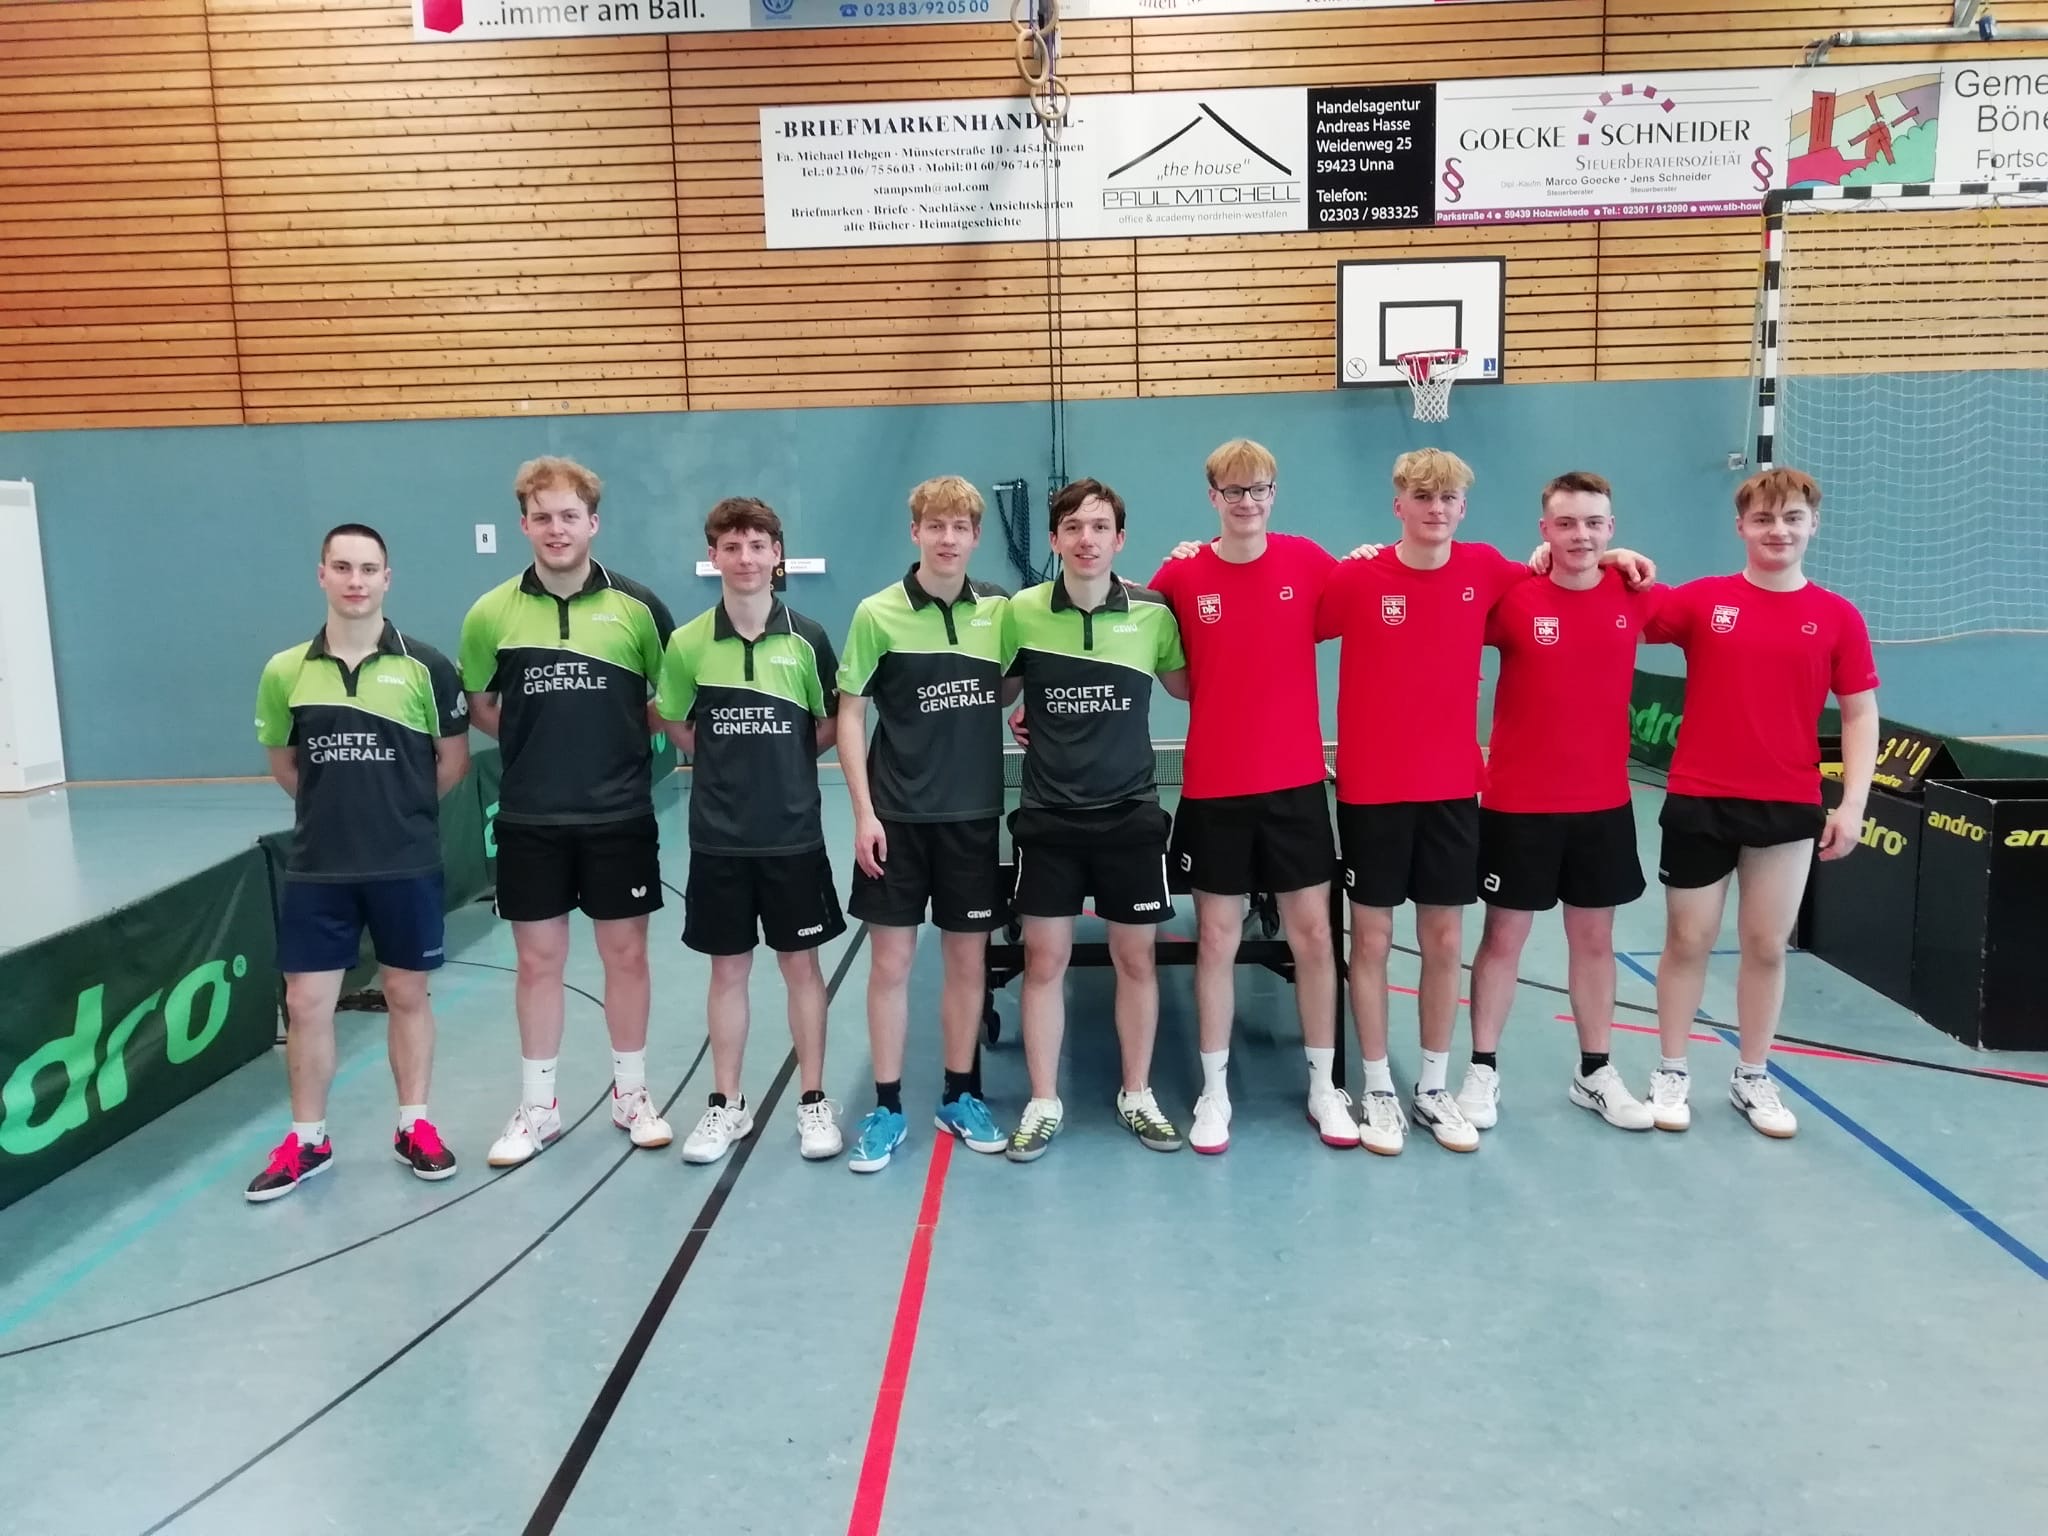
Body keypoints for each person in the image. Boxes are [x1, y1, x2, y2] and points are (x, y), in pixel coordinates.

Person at [1315, 449, 1652, 1155]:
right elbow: (1276, 617)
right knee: (1371, 942)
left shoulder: (1491, 573)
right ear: (1398, 504)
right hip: (1372, 790)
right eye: (1422, 496)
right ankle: (1378, 1087)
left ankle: (1434, 1086)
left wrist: (1612, 555)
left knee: (1444, 943)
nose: (1436, 509)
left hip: (1452, 791)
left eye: (1448, 499)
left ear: (1463, 507)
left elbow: (1567, 572)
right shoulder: (1356, 577)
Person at [1642, 467, 1878, 1139]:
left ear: (1813, 525)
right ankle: (1672, 1068)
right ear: (1741, 526)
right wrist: (1615, 556)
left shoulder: (1837, 616)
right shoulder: (1703, 601)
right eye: (1764, 519)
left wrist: (1853, 804)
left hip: (1787, 803)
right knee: (1688, 939)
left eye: (1792, 518)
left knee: (1766, 946)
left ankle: (1752, 1074)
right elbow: (1622, 607)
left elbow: (1859, 714)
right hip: (1700, 799)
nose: (1779, 530)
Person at [460, 457, 678, 1168]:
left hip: (619, 814)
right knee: (537, 963)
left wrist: (609, 740)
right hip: (531, 817)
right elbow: (484, 706)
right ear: (524, 525)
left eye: (569, 516)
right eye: (543, 517)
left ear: (593, 523)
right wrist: (542, 742)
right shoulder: (490, 613)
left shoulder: (639, 608)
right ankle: (539, 1108)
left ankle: (631, 1096)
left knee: (627, 956)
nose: (557, 529)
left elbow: (667, 700)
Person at [247, 524, 471, 1201]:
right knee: (306, 1002)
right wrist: (337, 814)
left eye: (368, 568)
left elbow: (452, 763)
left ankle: (414, 1126)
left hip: (405, 863)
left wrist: (396, 813)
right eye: (342, 567)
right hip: (319, 867)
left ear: (386, 578)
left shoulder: (427, 667)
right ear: (322, 575)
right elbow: (286, 766)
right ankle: (308, 1139)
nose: (355, 580)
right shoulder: (286, 671)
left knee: (407, 994)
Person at [1145, 439, 1352, 1155]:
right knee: (1217, 940)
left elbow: (1387, 587)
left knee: (1314, 936)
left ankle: (1325, 1086)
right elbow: (1132, 635)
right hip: (1215, 787)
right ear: (1213, 497)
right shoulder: (1179, 574)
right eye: (1233, 491)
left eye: (1258, 488)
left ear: (1274, 492)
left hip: (1296, 785)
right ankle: (1214, 1091)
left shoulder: (1310, 562)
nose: (1247, 502)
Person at [1459, 472, 1658, 1134]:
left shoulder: (1633, 594)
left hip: (1603, 805)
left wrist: (1620, 562)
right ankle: (1482, 1069)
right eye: (1566, 523)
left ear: (1611, 528)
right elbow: (1445, 603)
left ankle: (1594, 1072)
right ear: (1544, 529)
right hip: (1518, 804)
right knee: (1503, 937)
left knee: (1594, 940)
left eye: (1594, 523)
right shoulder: (1515, 597)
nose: (1581, 535)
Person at [1001, 478, 1191, 1162]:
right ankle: (1043, 1100)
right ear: (1054, 540)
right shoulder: (1020, 611)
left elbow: (1195, 685)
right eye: (1074, 528)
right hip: (1048, 815)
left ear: (1120, 539)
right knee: (1044, 960)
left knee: (1135, 959)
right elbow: (994, 690)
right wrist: (1018, 708)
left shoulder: (1153, 614)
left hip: (1131, 813)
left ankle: (1137, 1093)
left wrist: (1200, 573)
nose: (1087, 539)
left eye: (1100, 527)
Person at [657, 497, 847, 1164]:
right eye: (732, 547)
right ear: (713, 555)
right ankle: (726, 1104)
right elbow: (674, 720)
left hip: (793, 836)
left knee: (802, 968)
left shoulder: (809, 639)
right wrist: (722, 758)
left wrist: (785, 762)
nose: (745, 559)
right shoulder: (687, 643)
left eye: (757, 546)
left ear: (776, 555)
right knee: (727, 972)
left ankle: (813, 1099)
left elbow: (831, 722)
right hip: (719, 840)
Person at [836, 477, 1015, 1174]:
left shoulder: (999, 611)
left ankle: (960, 1094)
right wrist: (863, 812)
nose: (947, 538)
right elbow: (851, 714)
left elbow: (1018, 677)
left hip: (971, 818)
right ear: (915, 532)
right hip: (897, 820)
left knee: (968, 963)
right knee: (892, 965)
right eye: (935, 526)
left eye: (959, 527)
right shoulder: (876, 613)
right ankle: (886, 1107)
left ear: (976, 536)